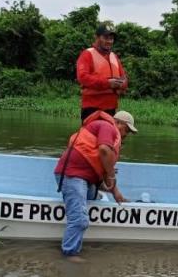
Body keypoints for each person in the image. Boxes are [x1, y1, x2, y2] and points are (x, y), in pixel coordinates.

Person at [54, 110, 138, 262]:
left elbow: (106, 174)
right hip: (73, 176)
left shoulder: (110, 137)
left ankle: (87, 198)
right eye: (126, 130)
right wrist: (111, 173)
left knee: (95, 194)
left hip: (85, 179)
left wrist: (117, 194)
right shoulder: (108, 127)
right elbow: (104, 151)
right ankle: (70, 253)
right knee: (80, 220)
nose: (126, 135)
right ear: (118, 123)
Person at [76, 23, 128, 121]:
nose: (109, 41)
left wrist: (122, 84)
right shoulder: (87, 54)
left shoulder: (114, 56)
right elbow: (82, 77)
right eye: (105, 37)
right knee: (91, 136)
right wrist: (107, 83)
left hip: (111, 108)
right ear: (96, 37)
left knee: (108, 136)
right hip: (92, 108)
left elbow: (124, 78)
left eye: (111, 38)